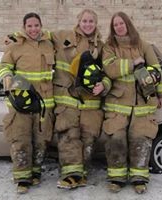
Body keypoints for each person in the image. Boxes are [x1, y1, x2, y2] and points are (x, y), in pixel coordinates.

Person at [102, 11, 162, 194]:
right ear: (112, 28)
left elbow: (156, 70)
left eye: (121, 23)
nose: (119, 27)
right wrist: (133, 63)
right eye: (115, 25)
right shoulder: (109, 47)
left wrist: (161, 94)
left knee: (141, 139)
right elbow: (110, 68)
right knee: (116, 139)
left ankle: (139, 178)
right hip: (117, 103)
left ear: (128, 24)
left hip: (143, 102)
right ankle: (117, 178)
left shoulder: (143, 45)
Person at [51, 9, 111, 189]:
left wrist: (104, 85)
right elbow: (37, 35)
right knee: (69, 137)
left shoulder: (101, 47)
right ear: (78, 21)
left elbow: (109, 73)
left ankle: (81, 175)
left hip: (91, 104)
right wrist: (16, 37)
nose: (87, 24)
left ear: (96, 23)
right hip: (67, 99)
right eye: (84, 21)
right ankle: (71, 176)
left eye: (91, 21)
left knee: (87, 140)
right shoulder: (62, 36)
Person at [0, 12, 55, 194]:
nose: (33, 29)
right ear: (24, 27)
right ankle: (22, 177)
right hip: (21, 102)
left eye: (36, 25)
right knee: (21, 140)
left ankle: (35, 172)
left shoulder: (49, 44)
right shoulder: (15, 46)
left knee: (40, 140)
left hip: (43, 102)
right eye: (29, 26)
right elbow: (4, 66)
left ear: (41, 26)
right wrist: (6, 76)